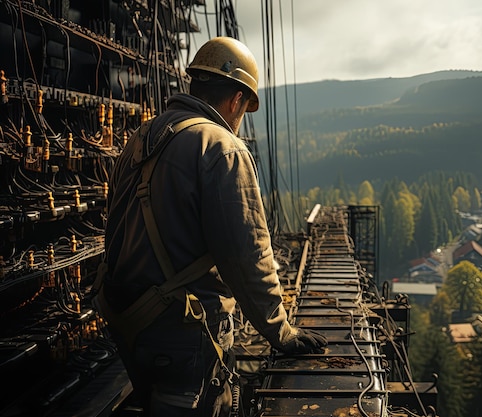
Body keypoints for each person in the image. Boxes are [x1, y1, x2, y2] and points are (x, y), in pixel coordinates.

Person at [99, 36, 327, 416]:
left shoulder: (143, 137)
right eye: (244, 109)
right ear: (237, 100)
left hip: (128, 323)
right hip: (183, 335)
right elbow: (247, 256)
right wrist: (280, 331)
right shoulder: (222, 147)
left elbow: (114, 229)